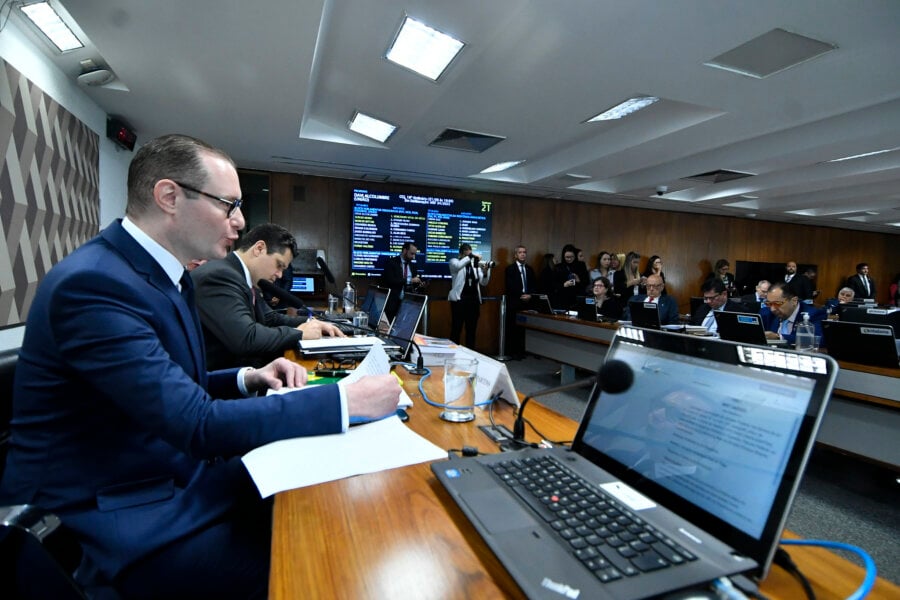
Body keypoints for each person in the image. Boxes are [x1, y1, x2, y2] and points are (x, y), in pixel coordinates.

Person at [0, 134, 401, 598]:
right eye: (228, 204)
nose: (240, 221)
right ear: (169, 197)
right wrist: (342, 400)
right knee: (328, 564)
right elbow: (194, 422)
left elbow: (174, 387)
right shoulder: (93, 285)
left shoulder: (159, 276)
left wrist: (247, 377)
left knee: (323, 501)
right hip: (112, 521)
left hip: (166, 478)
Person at [192, 223, 344, 369]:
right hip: (224, 383)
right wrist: (300, 333)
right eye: (279, 265)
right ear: (259, 249)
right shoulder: (220, 276)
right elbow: (247, 338)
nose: (279, 275)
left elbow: (271, 319)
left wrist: (313, 322)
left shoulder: (245, 278)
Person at [448, 243, 492, 348]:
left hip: (473, 300)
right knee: (456, 328)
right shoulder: (454, 262)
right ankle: (453, 352)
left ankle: (470, 353)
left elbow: (483, 282)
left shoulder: (475, 266)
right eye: (467, 253)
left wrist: (485, 272)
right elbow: (459, 266)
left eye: (470, 252)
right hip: (460, 300)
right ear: (461, 253)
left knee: (471, 329)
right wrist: (471, 256)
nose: (470, 255)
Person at [763, 281, 825, 346]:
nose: (772, 309)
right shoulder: (766, 313)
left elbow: (818, 340)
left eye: (777, 303)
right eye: (769, 303)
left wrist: (779, 337)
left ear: (794, 301)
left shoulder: (813, 314)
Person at [504, 245, 536, 357]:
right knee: (513, 328)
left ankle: (522, 351)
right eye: (520, 252)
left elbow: (533, 285)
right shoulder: (510, 269)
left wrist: (530, 295)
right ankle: (513, 352)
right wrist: (521, 295)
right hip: (515, 302)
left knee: (524, 329)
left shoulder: (529, 269)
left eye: (524, 252)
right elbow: (510, 286)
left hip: (527, 303)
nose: (523, 254)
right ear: (515, 255)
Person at [382, 241, 423, 322]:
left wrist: (419, 285)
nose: (414, 257)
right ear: (405, 251)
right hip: (392, 304)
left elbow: (413, 286)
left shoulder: (413, 266)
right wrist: (409, 280)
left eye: (415, 254)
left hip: (407, 304)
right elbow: (390, 280)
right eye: (412, 254)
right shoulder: (391, 262)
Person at [553, 244, 588, 309]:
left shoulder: (581, 265)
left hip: (577, 299)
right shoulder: (558, 267)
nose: (569, 259)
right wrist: (564, 284)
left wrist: (579, 280)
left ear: (575, 256)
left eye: (572, 257)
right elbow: (553, 285)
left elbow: (587, 282)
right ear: (563, 256)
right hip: (563, 299)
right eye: (567, 257)